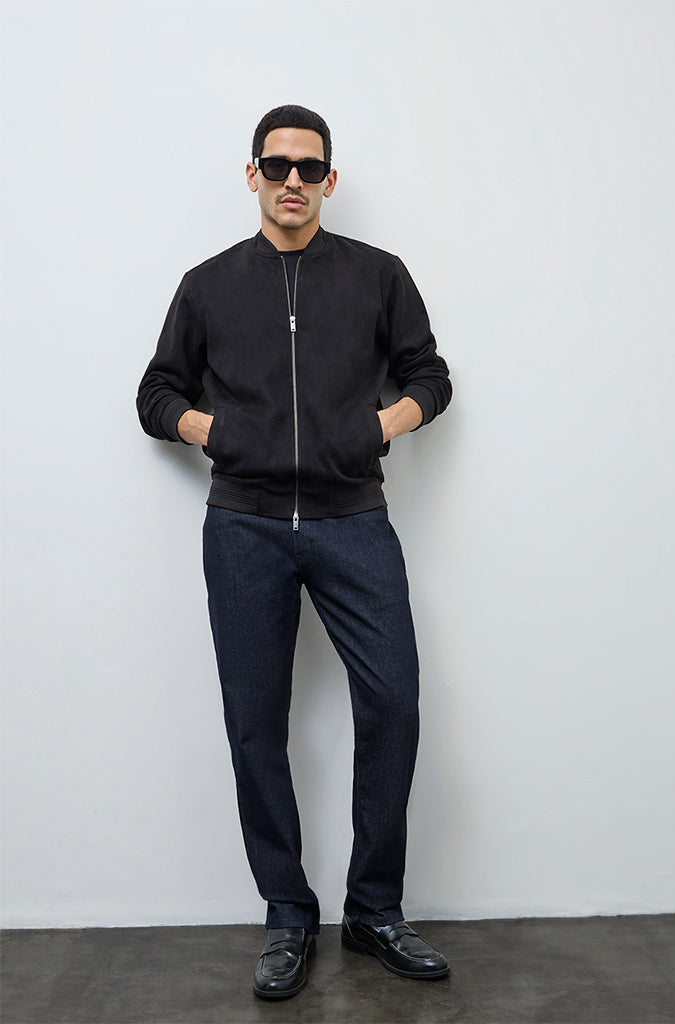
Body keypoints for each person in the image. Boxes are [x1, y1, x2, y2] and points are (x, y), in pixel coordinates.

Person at [136, 104, 452, 1000]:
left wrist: (378, 426)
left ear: (329, 180)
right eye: (275, 165)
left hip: (355, 519)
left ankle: (375, 909)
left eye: (309, 168)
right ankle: (286, 912)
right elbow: (156, 395)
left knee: (393, 702)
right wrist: (218, 431)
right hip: (245, 526)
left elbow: (430, 377)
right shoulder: (208, 285)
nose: (292, 181)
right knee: (255, 721)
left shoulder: (378, 276)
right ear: (253, 175)